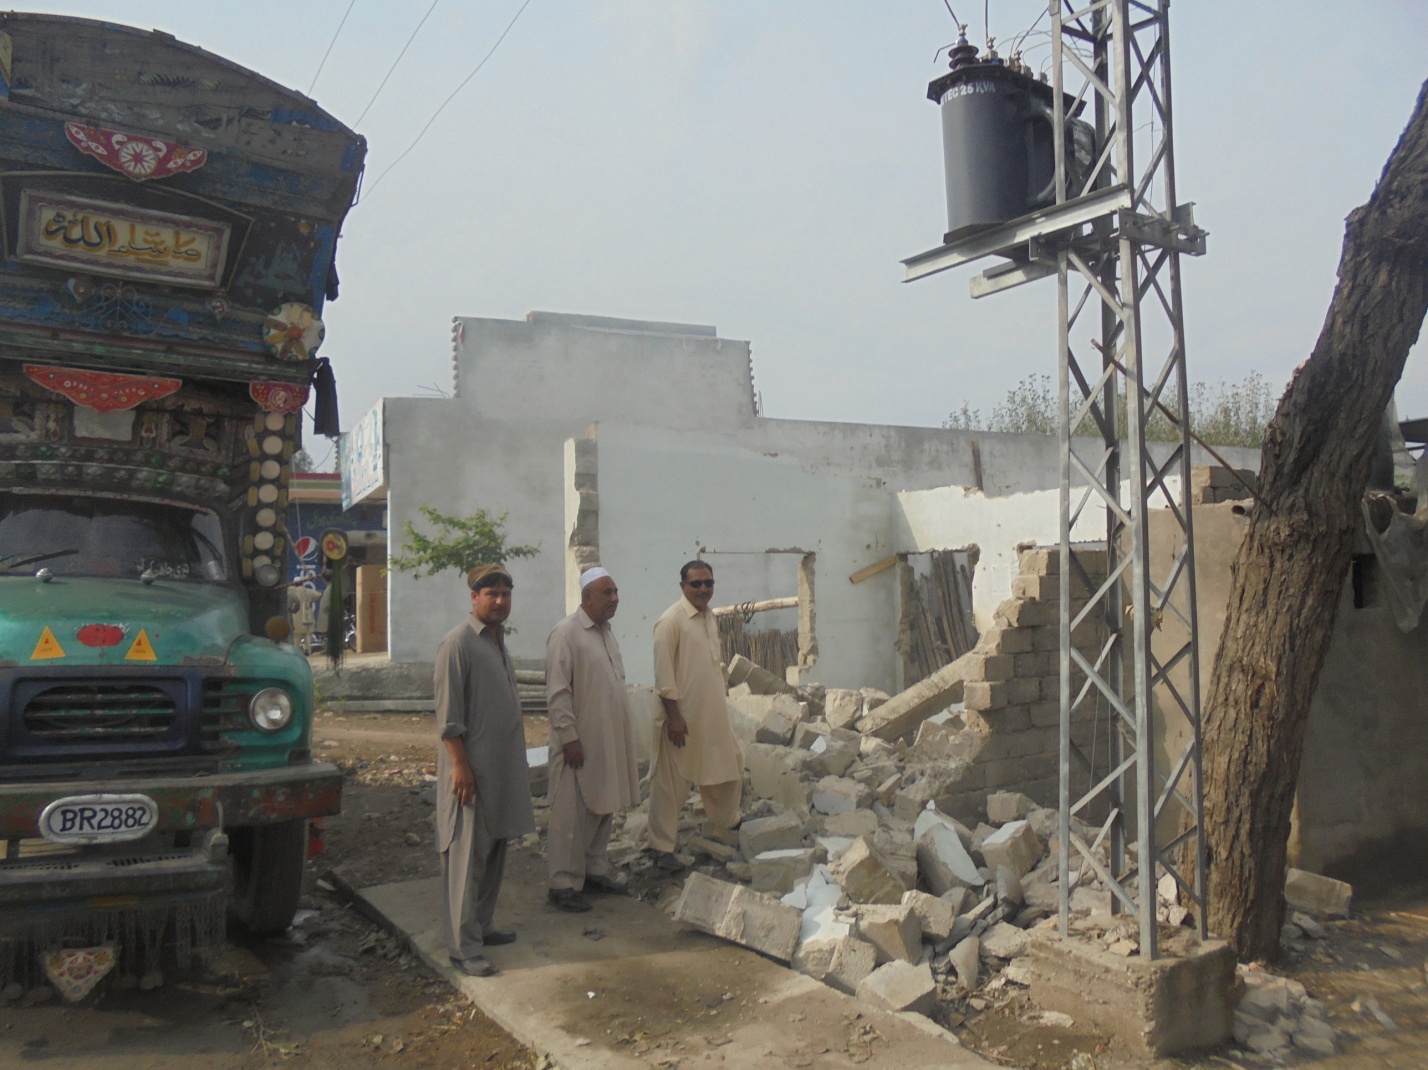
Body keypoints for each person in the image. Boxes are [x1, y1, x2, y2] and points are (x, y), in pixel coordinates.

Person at [434, 564, 535, 977]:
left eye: (505, 594)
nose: (499, 601)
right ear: (473, 597)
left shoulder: (496, 641)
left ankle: (483, 923)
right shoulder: (458, 644)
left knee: (494, 849)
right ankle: (463, 949)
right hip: (470, 772)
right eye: (491, 594)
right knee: (465, 857)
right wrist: (460, 765)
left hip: (501, 769)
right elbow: (448, 716)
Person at [544, 566, 641, 912]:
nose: (615, 599)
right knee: (570, 815)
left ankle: (594, 871)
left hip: (608, 740)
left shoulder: (606, 633)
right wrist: (569, 738)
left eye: (616, 592)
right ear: (587, 598)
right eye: (607, 593)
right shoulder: (566, 633)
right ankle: (563, 884)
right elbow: (558, 693)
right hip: (579, 744)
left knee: (604, 805)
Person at [648, 560, 743, 872]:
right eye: (696, 584)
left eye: (708, 583)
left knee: (726, 763)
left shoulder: (708, 617)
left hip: (711, 714)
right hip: (681, 719)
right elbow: (664, 677)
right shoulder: (670, 622)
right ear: (683, 587)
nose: (703, 589)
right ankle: (661, 848)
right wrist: (674, 718)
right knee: (671, 783)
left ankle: (727, 822)